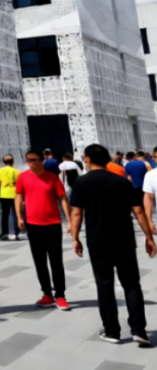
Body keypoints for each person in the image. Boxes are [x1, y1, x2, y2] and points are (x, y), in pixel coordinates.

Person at [71, 143, 156, 345]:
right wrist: (149, 238)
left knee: (105, 285)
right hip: (124, 240)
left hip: (98, 241)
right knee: (131, 284)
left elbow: (76, 213)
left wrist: (75, 238)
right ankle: (139, 330)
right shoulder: (121, 182)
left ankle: (112, 331)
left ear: (87, 159)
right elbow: (139, 211)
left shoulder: (82, 183)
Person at [15, 150, 71, 311]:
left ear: (42, 161)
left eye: (34, 160)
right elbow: (18, 196)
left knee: (55, 260)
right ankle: (47, 293)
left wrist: (70, 221)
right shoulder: (22, 177)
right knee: (39, 260)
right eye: (29, 160)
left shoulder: (52, 177)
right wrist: (19, 217)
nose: (31, 163)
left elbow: (62, 198)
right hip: (33, 224)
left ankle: (60, 295)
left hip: (52, 224)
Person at [0, 155, 20, 240]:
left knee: (5, 215)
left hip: (4, 195)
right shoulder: (17, 171)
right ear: (13, 161)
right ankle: (16, 234)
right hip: (15, 195)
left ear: (3, 162)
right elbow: (19, 184)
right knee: (17, 214)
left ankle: (4, 234)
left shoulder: (0, 171)